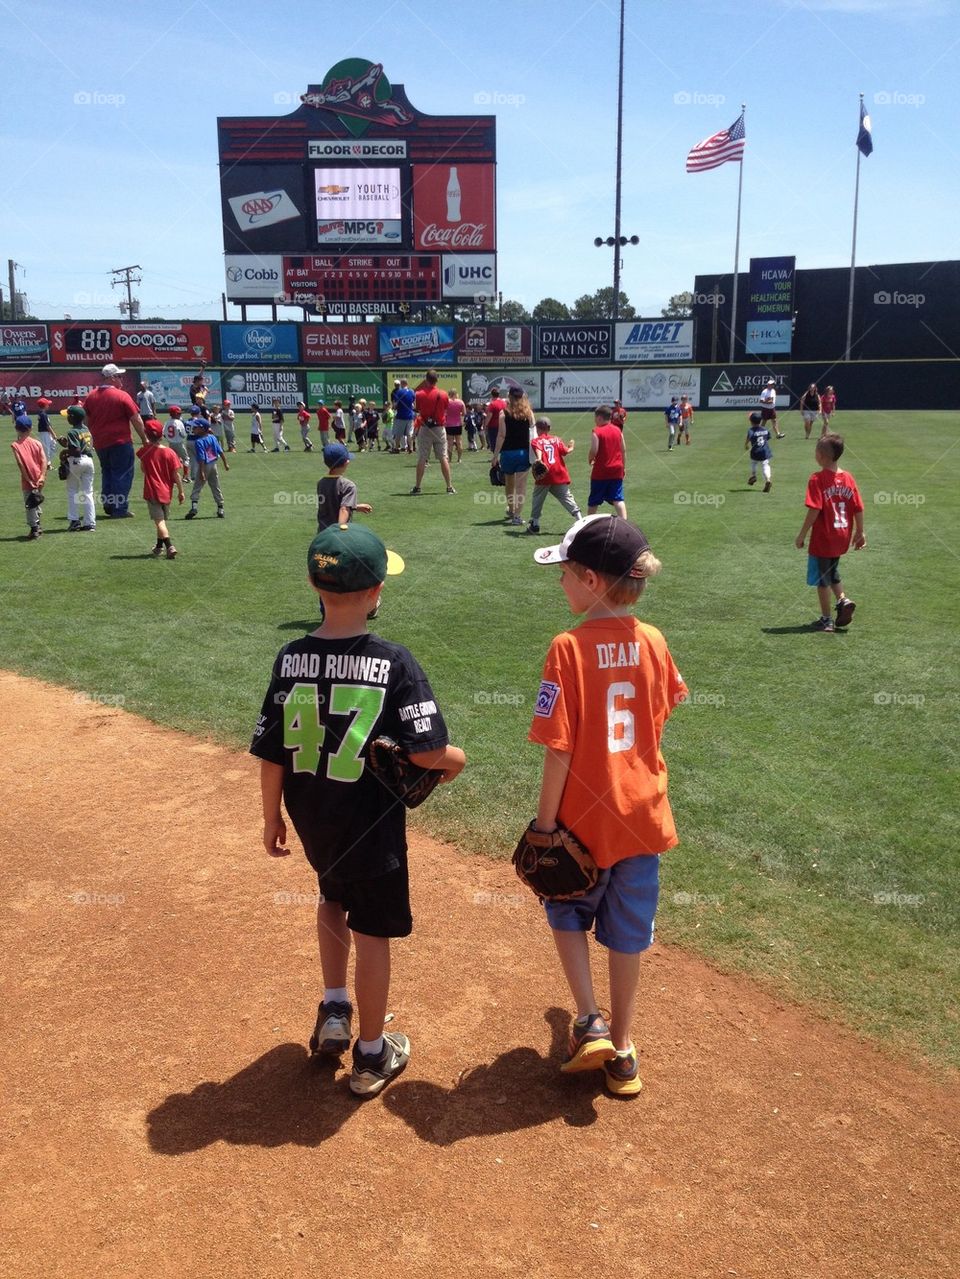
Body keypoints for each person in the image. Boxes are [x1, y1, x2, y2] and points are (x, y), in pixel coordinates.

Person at [250, 522, 466, 1098]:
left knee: (330, 896)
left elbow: (271, 747)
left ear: (313, 586)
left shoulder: (291, 656)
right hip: (371, 826)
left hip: (312, 815)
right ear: (376, 594)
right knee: (372, 933)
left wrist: (270, 816)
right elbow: (426, 751)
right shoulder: (393, 661)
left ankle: (335, 1009)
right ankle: (371, 1053)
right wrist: (458, 760)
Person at [528, 514, 686, 1096]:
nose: (560, 583)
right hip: (643, 818)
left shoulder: (566, 649)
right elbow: (661, 713)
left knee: (565, 911)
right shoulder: (655, 640)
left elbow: (558, 749)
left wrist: (546, 825)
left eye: (566, 573)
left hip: (583, 820)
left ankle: (588, 1019)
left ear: (592, 580)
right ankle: (622, 1050)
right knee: (628, 936)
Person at [795, 433, 865, 632]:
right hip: (842, 534)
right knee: (832, 571)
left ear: (821, 456)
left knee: (822, 579)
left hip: (824, 536)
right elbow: (858, 507)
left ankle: (826, 619)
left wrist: (802, 534)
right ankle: (843, 601)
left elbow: (814, 509)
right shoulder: (849, 477)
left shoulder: (817, 478)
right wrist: (860, 532)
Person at [82, 363, 146, 518]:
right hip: (120, 441)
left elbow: (84, 419)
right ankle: (119, 508)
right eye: (119, 376)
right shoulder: (121, 395)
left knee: (108, 472)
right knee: (122, 474)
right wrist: (145, 439)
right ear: (111, 378)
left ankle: (109, 504)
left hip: (100, 443)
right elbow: (136, 419)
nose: (121, 379)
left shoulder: (91, 396)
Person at [137, 419, 184, 559]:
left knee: (159, 521)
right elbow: (176, 475)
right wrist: (181, 491)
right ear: (162, 435)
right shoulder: (170, 452)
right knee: (162, 520)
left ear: (147, 434)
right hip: (167, 491)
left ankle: (169, 546)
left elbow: (143, 469)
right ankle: (158, 547)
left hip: (152, 491)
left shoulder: (145, 451)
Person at [528, 416, 581, 535]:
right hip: (559, 473)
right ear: (549, 428)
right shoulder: (556, 439)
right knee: (566, 497)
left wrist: (540, 459)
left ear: (537, 428)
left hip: (545, 474)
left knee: (538, 498)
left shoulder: (536, 441)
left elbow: (539, 449)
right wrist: (571, 446)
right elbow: (566, 452)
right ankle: (580, 519)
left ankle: (535, 524)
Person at [492, 385, 535, 525]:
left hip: (507, 454)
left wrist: (495, 456)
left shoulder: (503, 413)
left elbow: (501, 435)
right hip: (523, 453)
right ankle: (517, 516)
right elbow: (534, 435)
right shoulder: (529, 413)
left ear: (509, 396)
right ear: (522, 397)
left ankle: (511, 509)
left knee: (509, 484)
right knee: (521, 486)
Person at [410, 370, 456, 496]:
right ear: (437, 380)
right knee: (443, 457)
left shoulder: (419, 394)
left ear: (426, 380)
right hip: (439, 428)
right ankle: (449, 487)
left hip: (425, 428)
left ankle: (418, 487)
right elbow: (445, 407)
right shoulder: (443, 394)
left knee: (422, 458)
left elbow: (418, 408)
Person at [56, 405, 96, 531]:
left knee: (72, 491)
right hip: (89, 462)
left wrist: (64, 452)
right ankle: (90, 523)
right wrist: (67, 444)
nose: (67, 418)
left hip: (77, 461)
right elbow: (81, 446)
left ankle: (74, 521)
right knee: (87, 492)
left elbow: (77, 451)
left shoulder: (72, 431)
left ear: (72, 418)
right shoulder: (86, 430)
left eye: (68, 415)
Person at [316, 442, 373, 531]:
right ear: (347, 463)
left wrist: (355, 507)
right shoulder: (348, 486)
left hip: (323, 534)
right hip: (338, 535)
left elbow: (332, 504)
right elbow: (344, 509)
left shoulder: (321, 483)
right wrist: (339, 531)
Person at [11, 414, 48, 540]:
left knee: (30, 503)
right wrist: (42, 476)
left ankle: (34, 529)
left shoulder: (16, 445)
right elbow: (44, 460)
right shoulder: (37, 443)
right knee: (36, 500)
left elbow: (20, 464)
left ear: (16, 429)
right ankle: (38, 525)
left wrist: (28, 480)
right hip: (39, 476)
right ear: (31, 428)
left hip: (29, 479)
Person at [184, 415, 229, 519]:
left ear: (202, 429)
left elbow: (202, 458)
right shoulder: (212, 437)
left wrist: (202, 472)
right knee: (215, 486)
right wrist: (225, 463)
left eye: (195, 428)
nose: (193, 429)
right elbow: (220, 451)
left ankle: (194, 507)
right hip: (214, 465)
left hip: (205, 465)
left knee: (197, 487)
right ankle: (220, 508)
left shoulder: (199, 442)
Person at [588, 404, 627, 518]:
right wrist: (623, 467)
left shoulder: (597, 431)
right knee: (618, 498)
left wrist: (590, 458)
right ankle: (624, 523)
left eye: (595, 418)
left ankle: (588, 523)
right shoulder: (618, 431)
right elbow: (623, 450)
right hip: (617, 469)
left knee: (594, 501)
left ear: (599, 418)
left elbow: (594, 450)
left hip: (601, 470)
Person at [744, 410, 774, 492]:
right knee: (765, 465)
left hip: (755, 452)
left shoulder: (751, 430)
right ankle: (768, 479)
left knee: (753, 463)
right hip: (764, 451)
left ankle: (753, 475)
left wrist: (746, 445)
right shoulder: (764, 429)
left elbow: (748, 439)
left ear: (751, 422)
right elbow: (768, 437)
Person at [444, 386, 466, 463]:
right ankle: (459, 459)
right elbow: (464, 413)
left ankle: (449, 459)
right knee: (459, 442)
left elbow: (444, 413)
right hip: (458, 424)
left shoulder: (447, 402)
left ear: (449, 394)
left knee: (449, 443)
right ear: (456, 394)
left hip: (449, 424)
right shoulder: (461, 402)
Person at [393, 378, 415, 453]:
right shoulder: (411, 392)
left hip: (401, 416)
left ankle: (396, 448)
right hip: (410, 416)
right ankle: (411, 448)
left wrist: (394, 407)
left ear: (401, 384)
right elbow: (413, 404)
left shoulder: (399, 392)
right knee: (409, 433)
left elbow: (396, 404)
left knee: (399, 433)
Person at [484, 385, 507, 452]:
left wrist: (485, 425)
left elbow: (489, 416)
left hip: (493, 427)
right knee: (502, 441)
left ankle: (495, 458)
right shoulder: (504, 403)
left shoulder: (492, 404)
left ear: (491, 395)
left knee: (494, 442)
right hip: (503, 425)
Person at [35, 397, 58, 463]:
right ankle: (46, 464)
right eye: (47, 404)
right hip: (44, 433)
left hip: (46, 433)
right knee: (46, 449)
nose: (49, 405)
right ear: (44, 405)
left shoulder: (42, 413)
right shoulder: (42, 414)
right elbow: (47, 426)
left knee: (53, 445)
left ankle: (47, 462)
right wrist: (54, 434)